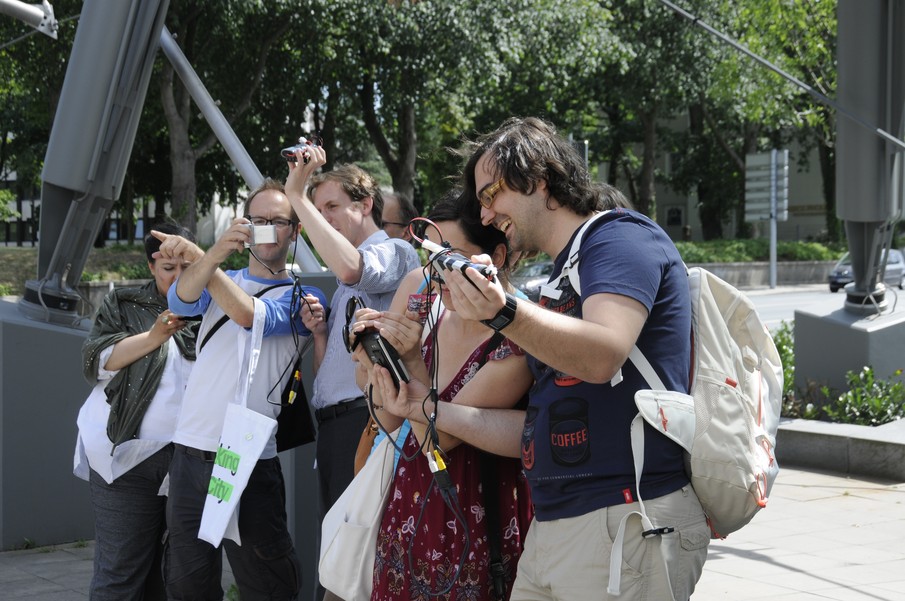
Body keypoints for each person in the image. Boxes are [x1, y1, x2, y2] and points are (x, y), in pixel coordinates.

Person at [374, 117, 710, 601]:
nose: (486, 216)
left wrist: (503, 311)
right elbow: (530, 428)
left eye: (491, 195)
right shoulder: (559, 276)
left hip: (624, 519)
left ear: (536, 178)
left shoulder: (617, 237)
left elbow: (602, 355)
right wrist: (422, 409)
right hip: (557, 526)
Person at [349, 189, 533, 601]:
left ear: (496, 258)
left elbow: (442, 438)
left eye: (453, 259)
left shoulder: (518, 339)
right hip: (408, 510)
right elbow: (389, 419)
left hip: (473, 516)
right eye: (434, 257)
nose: (440, 273)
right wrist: (375, 361)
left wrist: (411, 359)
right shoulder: (430, 307)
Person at [155, 177, 327, 601]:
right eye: (257, 220)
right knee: (187, 583)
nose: (265, 229)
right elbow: (179, 301)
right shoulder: (220, 274)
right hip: (189, 456)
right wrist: (214, 252)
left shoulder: (303, 297)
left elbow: (248, 314)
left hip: (246, 460)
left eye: (277, 221)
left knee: (267, 583)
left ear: (295, 230)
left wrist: (199, 257)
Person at [282, 153, 420, 549]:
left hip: (365, 421)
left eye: (331, 206)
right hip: (337, 426)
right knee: (339, 555)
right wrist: (322, 334)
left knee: (351, 555)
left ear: (364, 205)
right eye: (317, 207)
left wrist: (297, 194)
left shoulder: (396, 251)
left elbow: (350, 269)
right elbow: (331, 373)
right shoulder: (348, 278)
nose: (322, 217)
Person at [74, 222, 198, 601]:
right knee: (120, 573)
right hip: (126, 457)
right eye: (167, 269)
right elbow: (95, 361)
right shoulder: (125, 303)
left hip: (194, 459)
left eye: (187, 267)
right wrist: (154, 336)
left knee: (183, 575)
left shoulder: (216, 307)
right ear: (150, 267)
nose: (178, 278)